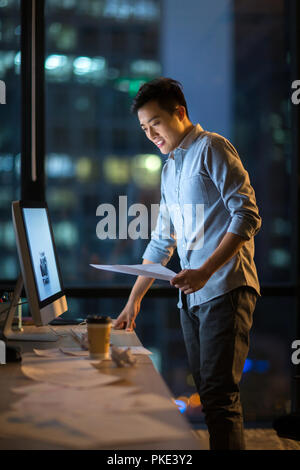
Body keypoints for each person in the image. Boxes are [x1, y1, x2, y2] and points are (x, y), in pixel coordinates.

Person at [114, 77, 262, 450]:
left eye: (156, 124)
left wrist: (205, 271)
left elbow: (247, 215)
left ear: (179, 113)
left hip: (225, 287)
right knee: (210, 397)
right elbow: (163, 240)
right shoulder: (169, 169)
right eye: (145, 129)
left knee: (219, 398)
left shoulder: (211, 147)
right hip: (193, 297)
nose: (151, 135)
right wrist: (134, 301)